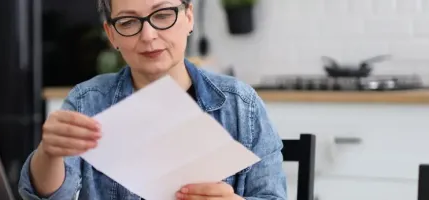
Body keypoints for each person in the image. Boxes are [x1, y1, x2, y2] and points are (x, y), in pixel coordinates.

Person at [18, 0, 287, 199]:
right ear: (111, 34)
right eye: (128, 22)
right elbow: (48, 197)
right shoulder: (88, 101)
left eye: (162, 15)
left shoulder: (241, 105)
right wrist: (49, 154)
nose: (148, 36)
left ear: (189, 17)